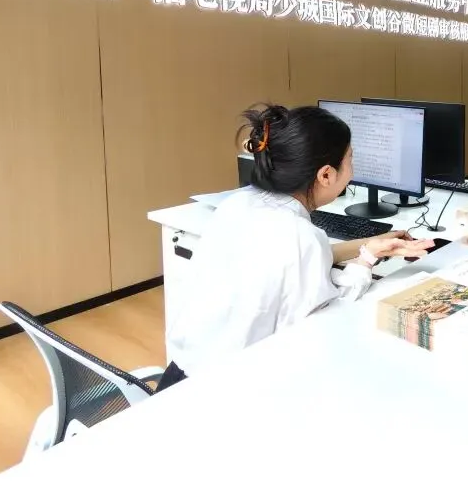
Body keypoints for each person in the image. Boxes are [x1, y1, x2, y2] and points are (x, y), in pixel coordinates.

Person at [166, 105, 433, 377]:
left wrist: (370, 246)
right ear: (326, 175)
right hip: (221, 389)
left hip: (180, 372)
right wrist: (365, 263)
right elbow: (322, 324)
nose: (352, 171)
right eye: (351, 160)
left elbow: (296, 259)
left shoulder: (238, 204)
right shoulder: (300, 237)